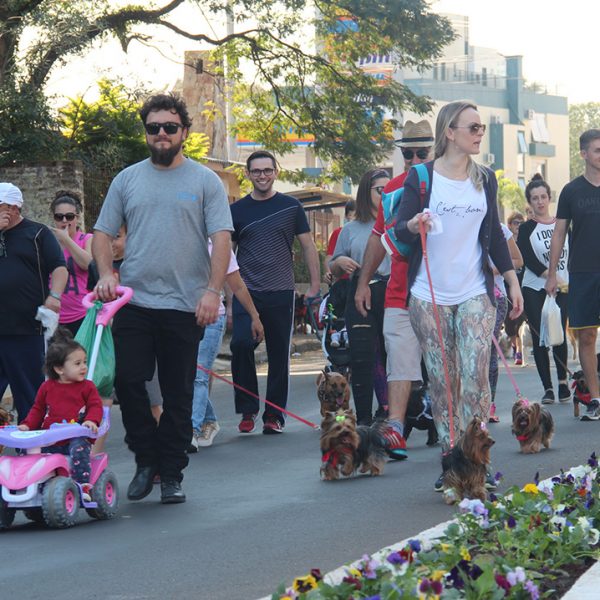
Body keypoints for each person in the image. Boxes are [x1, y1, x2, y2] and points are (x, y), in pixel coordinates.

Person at [93, 93, 233, 504]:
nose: (161, 134)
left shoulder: (205, 181)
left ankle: (170, 473)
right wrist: (105, 273)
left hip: (186, 305)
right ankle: (145, 459)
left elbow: (221, 239)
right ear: (146, 132)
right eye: (153, 127)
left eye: (169, 127)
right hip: (134, 301)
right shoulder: (127, 179)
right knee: (128, 381)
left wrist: (212, 291)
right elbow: (102, 232)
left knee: (178, 395)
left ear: (184, 132)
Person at [394, 100, 523, 491]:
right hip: (428, 294)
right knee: (444, 382)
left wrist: (511, 280)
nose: (479, 133)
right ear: (449, 132)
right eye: (473, 127)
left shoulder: (485, 178)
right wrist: (414, 223)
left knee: (475, 378)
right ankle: (453, 463)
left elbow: (496, 238)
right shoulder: (421, 178)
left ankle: (477, 462)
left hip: (474, 292)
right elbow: (399, 230)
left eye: (481, 127)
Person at [354, 119, 434, 457]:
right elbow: (376, 238)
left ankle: (454, 432)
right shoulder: (392, 190)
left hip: (442, 292)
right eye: (407, 153)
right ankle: (397, 427)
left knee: (446, 367)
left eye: (421, 152)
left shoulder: (449, 182)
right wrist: (362, 284)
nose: (414, 159)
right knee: (400, 362)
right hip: (401, 290)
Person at [230, 150, 320, 435]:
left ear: (276, 172)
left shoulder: (291, 207)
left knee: (279, 354)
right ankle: (248, 409)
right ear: (247, 174)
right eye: (256, 171)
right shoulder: (237, 210)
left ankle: (274, 415)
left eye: (267, 170)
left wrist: (315, 286)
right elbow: (227, 255)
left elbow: (308, 246)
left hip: (281, 290)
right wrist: (226, 296)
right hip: (246, 291)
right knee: (240, 346)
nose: (262, 176)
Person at [0, 183, 67, 422]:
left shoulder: (37, 233)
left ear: (13, 208)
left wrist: (55, 296)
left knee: (30, 394)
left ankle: (34, 451)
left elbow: (59, 267)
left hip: (26, 328)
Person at [546, 128, 600, 420]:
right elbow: (558, 234)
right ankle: (596, 398)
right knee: (587, 337)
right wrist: (552, 274)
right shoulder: (571, 191)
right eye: (597, 150)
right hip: (582, 272)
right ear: (583, 154)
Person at [190, 241, 265, 451]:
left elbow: (237, 285)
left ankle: (191, 430)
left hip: (213, 317)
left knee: (198, 374)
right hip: (181, 316)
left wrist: (254, 316)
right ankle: (210, 419)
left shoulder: (219, 245)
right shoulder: (178, 237)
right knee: (185, 374)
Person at [330, 168, 391, 425]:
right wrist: (340, 261)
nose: (386, 195)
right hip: (360, 292)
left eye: (391, 190)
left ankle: (396, 415)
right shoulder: (351, 229)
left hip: (393, 292)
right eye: (381, 190)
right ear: (367, 193)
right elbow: (332, 267)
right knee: (362, 357)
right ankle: (364, 419)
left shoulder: (399, 222)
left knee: (394, 356)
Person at [18, 328, 103, 501]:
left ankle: (82, 484)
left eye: (84, 362)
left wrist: (90, 421)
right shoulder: (47, 387)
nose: (84, 367)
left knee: (79, 449)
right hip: (51, 438)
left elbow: (95, 406)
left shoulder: (87, 387)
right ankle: (28, 483)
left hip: (75, 437)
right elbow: (38, 409)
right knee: (27, 449)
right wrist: (27, 426)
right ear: (59, 368)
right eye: (77, 363)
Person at [518, 174, 570, 404]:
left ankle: (562, 383)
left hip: (563, 286)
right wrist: (548, 276)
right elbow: (526, 257)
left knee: (558, 333)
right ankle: (547, 388)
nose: (539, 202)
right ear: (529, 202)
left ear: (549, 198)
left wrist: (562, 279)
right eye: (534, 198)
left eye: (543, 197)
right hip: (534, 287)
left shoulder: (563, 223)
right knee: (541, 336)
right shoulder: (527, 228)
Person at [488, 222, 523, 422]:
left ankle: (489, 404)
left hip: (496, 295)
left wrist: (492, 269)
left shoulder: (500, 228)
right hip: (463, 296)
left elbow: (518, 260)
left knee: (490, 349)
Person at [50, 190, 93, 336]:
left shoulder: (86, 239)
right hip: (54, 316)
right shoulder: (48, 243)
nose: (64, 221)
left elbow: (88, 264)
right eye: (59, 216)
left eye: (69, 216)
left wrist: (66, 240)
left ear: (77, 217)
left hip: (82, 314)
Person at [505, 211, 527, 365]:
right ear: (510, 225)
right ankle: (513, 345)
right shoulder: (505, 241)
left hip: (522, 284)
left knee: (521, 319)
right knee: (509, 323)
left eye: (520, 222)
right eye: (515, 223)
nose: (518, 225)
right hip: (506, 286)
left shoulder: (525, 241)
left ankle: (519, 350)